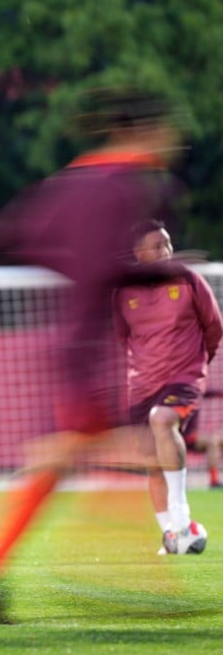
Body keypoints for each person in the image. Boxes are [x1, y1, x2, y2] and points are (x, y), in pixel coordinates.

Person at [0, 88, 192, 623]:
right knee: (142, 446)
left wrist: (82, 267)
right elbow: (103, 266)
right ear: (145, 131)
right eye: (168, 131)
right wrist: (150, 272)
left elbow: (5, 234)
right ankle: (117, 575)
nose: (172, 141)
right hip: (86, 345)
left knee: (59, 460)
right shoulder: (123, 186)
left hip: (70, 339)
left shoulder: (70, 180)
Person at [114, 219, 220, 554]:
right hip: (142, 384)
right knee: (152, 461)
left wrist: (197, 365)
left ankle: (181, 516)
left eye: (168, 244)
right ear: (138, 253)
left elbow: (214, 327)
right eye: (158, 246)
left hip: (184, 378)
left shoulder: (189, 280)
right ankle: (171, 535)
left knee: (162, 419)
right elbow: (123, 340)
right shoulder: (123, 292)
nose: (166, 251)